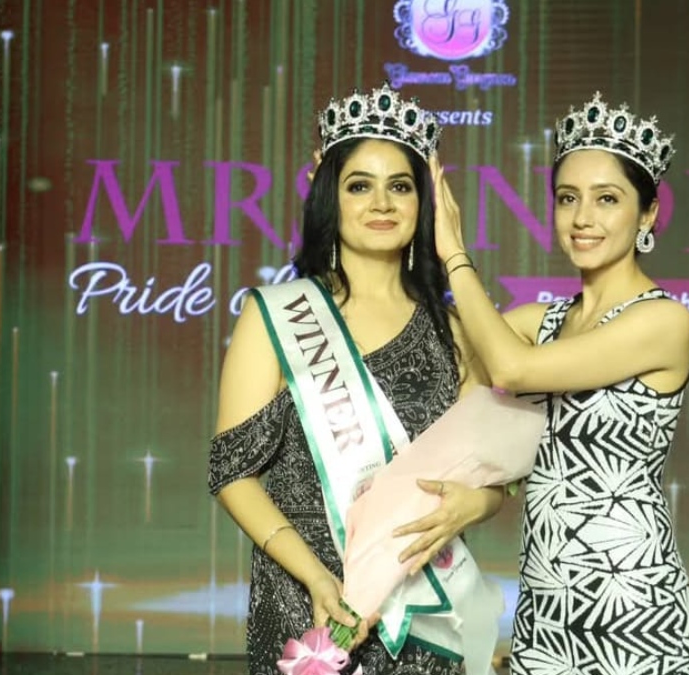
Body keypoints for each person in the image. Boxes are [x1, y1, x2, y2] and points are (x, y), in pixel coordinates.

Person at [207, 83, 506, 675]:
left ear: (424, 201)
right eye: (359, 186)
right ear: (330, 198)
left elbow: (488, 474)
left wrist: (478, 503)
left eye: (401, 186)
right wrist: (318, 577)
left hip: (423, 606)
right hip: (306, 603)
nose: (382, 203)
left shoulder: (454, 329)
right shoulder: (276, 314)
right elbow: (231, 472)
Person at [427, 92, 689, 674]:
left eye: (608, 199)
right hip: (545, 611)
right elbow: (440, 346)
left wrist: (454, 252)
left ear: (648, 214)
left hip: (634, 612)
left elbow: (511, 369)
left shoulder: (664, 321)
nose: (583, 218)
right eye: (568, 198)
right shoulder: (541, 323)